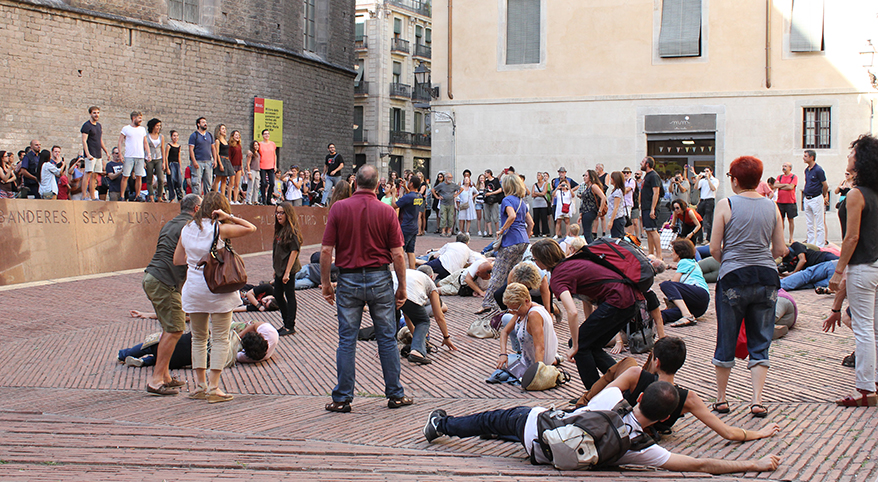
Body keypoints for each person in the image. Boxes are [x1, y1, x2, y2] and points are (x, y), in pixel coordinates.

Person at [423, 381, 781, 474]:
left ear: (639, 398)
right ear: (661, 420)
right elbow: (702, 466)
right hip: (550, 455)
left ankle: (442, 424)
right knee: (501, 428)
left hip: (537, 427)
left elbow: (600, 391)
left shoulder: (611, 399)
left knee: (494, 419)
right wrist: (756, 464)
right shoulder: (644, 449)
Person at [320, 164, 413, 413]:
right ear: (377, 184)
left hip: (348, 279)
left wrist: (326, 283)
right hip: (379, 278)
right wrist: (402, 287)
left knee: (346, 340)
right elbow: (398, 254)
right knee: (386, 338)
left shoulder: (339, 208)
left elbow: (326, 251)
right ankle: (395, 394)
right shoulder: (387, 212)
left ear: (355, 183)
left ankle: (342, 397)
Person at [577, 337, 781, 444]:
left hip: (606, 426)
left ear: (655, 361)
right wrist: (760, 433)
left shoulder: (635, 375)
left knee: (623, 366)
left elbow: (603, 398)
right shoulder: (687, 398)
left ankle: (580, 401)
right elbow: (727, 432)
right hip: (645, 433)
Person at [710, 156, 788, 418]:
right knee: (761, 340)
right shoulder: (772, 207)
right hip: (767, 277)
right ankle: (757, 400)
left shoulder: (726, 204)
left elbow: (713, 248)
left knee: (727, 338)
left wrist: (731, 261)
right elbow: (779, 249)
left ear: (734, 180)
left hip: (734, 277)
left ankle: (721, 399)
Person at [531, 238, 663, 389]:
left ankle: (594, 394)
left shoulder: (558, 277)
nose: (535, 263)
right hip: (630, 299)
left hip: (618, 301)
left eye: (535, 259)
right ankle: (627, 384)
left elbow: (573, 312)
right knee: (592, 346)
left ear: (543, 260)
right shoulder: (573, 261)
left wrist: (575, 345)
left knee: (580, 346)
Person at [174, 191, 257, 403]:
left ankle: (200, 385)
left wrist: (196, 258)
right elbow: (251, 228)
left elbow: (177, 259)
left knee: (198, 337)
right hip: (217, 288)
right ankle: (214, 387)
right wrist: (228, 217)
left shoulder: (187, 229)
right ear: (219, 209)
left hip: (194, 286)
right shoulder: (219, 228)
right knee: (220, 337)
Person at [828, 134, 878, 407]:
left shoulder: (857, 195)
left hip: (863, 267)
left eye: (853, 152)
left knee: (864, 330)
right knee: (875, 330)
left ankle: (865, 390)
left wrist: (838, 271)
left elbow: (851, 237)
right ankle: (874, 383)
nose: (849, 155)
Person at [140, 194, 200, 395]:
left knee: (169, 327)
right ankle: (156, 380)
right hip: (164, 282)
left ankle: (165, 376)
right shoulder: (190, 227)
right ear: (197, 209)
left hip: (153, 277)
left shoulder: (170, 224)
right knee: (175, 328)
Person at [479, 175, 534, 313]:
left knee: (498, 273)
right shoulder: (521, 201)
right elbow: (531, 223)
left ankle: (488, 303)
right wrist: (525, 237)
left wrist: (502, 230)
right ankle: (510, 301)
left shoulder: (507, 200)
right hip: (522, 241)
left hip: (510, 240)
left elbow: (512, 216)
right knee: (513, 274)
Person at [394, 266, 457, 365]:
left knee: (390, 320)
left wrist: (418, 338)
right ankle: (417, 352)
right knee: (423, 321)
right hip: (407, 294)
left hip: (387, 289)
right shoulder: (430, 283)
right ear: (431, 277)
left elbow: (407, 317)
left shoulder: (411, 273)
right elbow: (439, 316)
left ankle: (385, 350)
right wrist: (446, 337)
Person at [497, 283, 558, 369]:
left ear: (526, 301)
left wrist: (537, 372)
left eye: (515, 309)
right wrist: (503, 353)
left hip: (538, 360)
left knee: (503, 367)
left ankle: (548, 363)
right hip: (530, 354)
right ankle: (555, 359)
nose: (513, 312)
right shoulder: (525, 308)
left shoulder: (533, 315)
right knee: (506, 318)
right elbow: (504, 332)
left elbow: (540, 347)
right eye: (510, 309)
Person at [661, 239, 710, 327]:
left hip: (699, 294)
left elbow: (673, 282)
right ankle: (685, 315)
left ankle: (687, 315)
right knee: (663, 314)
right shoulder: (691, 262)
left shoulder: (684, 261)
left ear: (679, 253)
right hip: (699, 307)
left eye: (673, 251)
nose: (671, 254)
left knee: (666, 284)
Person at [273, 201, 303, 337]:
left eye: (281, 213)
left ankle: (290, 325)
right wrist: (276, 268)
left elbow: (294, 251)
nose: (278, 215)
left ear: (288, 214)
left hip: (288, 270)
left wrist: (286, 272)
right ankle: (286, 322)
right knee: (278, 295)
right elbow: (278, 252)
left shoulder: (292, 231)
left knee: (290, 296)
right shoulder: (279, 229)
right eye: (277, 212)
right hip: (280, 269)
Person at [393, 175, 423, 268]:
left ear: (411, 184)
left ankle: (401, 270)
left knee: (400, 250)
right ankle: (412, 270)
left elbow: (394, 205)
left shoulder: (408, 197)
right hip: (414, 226)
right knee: (410, 251)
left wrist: (394, 193)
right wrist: (406, 188)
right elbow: (411, 196)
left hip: (405, 226)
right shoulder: (419, 196)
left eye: (409, 182)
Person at [118, 111, 149, 201]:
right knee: (126, 175)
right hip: (129, 155)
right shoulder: (126, 128)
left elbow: (145, 142)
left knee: (139, 176)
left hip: (140, 156)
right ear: (133, 118)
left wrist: (148, 154)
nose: (140, 120)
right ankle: (122, 196)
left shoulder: (142, 129)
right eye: (139, 118)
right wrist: (120, 153)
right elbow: (120, 141)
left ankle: (137, 195)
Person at [81, 106, 109, 201]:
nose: (96, 114)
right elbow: (84, 141)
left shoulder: (98, 126)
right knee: (88, 173)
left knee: (95, 175)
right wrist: (87, 154)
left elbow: (99, 139)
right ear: (90, 114)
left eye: (97, 112)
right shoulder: (87, 125)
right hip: (91, 153)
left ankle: (93, 196)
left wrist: (106, 151)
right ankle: (84, 195)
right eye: (94, 113)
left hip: (98, 153)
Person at [802, 150, 829, 246]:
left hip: (816, 197)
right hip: (807, 198)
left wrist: (824, 195)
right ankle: (810, 243)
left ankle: (819, 244)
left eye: (806, 156)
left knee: (819, 223)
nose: (803, 158)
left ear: (811, 157)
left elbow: (825, 185)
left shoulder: (818, 170)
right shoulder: (806, 170)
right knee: (809, 223)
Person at [640, 156, 663, 258]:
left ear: (648, 164)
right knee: (648, 230)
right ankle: (651, 254)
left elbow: (656, 193)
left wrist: (652, 208)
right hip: (645, 206)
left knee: (653, 230)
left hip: (651, 207)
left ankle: (659, 255)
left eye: (643, 162)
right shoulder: (647, 176)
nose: (641, 163)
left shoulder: (654, 176)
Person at [188, 117, 215, 197]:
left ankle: (207, 200)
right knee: (196, 182)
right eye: (203, 122)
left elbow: (213, 148)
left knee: (208, 182)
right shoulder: (194, 136)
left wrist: (215, 160)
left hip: (208, 162)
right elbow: (191, 149)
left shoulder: (209, 135)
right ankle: (197, 200)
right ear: (198, 124)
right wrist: (194, 161)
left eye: (205, 122)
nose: (205, 123)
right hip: (198, 161)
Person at [579, 170, 608, 243]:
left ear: (591, 177)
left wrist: (600, 210)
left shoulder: (594, 186)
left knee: (587, 234)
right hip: (585, 212)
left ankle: (592, 249)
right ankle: (593, 248)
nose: (584, 178)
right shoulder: (587, 187)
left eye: (586, 176)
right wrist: (581, 214)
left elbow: (603, 197)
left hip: (590, 211)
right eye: (584, 176)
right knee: (588, 234)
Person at [774, 162, 798, 244]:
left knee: (790, 220)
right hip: (780, 201)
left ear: (790, 168)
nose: (783, 167)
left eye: (785, 166)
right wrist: (785, 185)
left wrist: (781, 185)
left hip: (790, 202)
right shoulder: (779, 177)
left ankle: (791, 237)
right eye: (783, 166)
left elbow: (791, 187)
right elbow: (775, 185)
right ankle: (781, 237)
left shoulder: (794, 177)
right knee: (781, 220)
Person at [694, 167, 718, 244]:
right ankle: (700, 238)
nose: (706, 173)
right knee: (698, 219)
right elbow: (695, 187)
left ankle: (708, 238)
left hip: (709, 200)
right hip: (702, 200)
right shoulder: (702, 181)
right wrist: (698, 179)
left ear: (711, 171)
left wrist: (708, 179)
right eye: (705, 171)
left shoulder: (715, 180)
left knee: (708, 220)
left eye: (707, 171)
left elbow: (713, 188)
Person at [144, 118, 165, 202]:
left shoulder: (161, 137)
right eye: (157, 126)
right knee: (149, 178)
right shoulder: (146, 136)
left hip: (158, 158)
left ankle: (159, 196)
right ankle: (151, 196)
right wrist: (143, 161)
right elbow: (144, 148)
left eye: (159, 126)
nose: (158, 127)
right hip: (149, 159)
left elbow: (162, 149)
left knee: (161, 178)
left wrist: (164, 162)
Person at [434, 171, 460, 237]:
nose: (451, 179)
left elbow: (461, 189)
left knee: (450, 218)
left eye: (451, 177)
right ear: (445, 178)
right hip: (443, 203)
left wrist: (456, 194)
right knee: (443, 217)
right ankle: (443, 231)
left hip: (451, 203)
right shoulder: (441, 185)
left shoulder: (453, 185)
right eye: (449, 177)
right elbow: (433, 190)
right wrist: (437, 197)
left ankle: (449, 231)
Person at [164, 130, 185, 202]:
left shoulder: (178, 146)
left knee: (178, 182)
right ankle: (171, 198)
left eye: (177, 136)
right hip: (171, 164)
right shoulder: (169, 145)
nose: (175, 137)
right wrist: (167, 168)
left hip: (177, 165)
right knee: (171, 181)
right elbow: (166, 157)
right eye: (174, 136)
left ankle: (180, 197)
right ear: (171, 137)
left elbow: (179, 157)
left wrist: (180, 168)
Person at [257, 130, 277, 204]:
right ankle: (263, 199)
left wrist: (275, 165)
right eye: (265, 134)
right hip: (262, 165)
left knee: (272, 183)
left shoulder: (272, 144)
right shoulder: (260, 144)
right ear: (262, 135)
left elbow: (274, 155)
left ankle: (269, 199)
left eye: (268, 134)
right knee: (264, 183)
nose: (267, 135)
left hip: (271, 165)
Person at [607, 171, 628, 238]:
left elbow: (616, 207)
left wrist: (611, 221)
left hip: (617, 218)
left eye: (611, 178)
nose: (610, 179)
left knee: (617, 238)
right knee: (615, 237)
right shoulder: (616, 191)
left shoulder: (617, 192)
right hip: (616, 218)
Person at [211, 124, 231, 195]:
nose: (224, 130)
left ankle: (222, 195)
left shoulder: (225, 140)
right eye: (222, 129)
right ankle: (216, 195)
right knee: (218, 179)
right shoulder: (217, 141)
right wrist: (220, 164)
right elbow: (217, 153)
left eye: (225, 129)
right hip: (221, 159)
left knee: (224, 179)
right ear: (219, 130)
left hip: (226, 160)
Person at [483, 169, 502, 237]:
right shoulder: (486, 181)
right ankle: (490, 232)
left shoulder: (495, 180)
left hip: (494, 200)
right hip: (487, 201)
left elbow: (500, 189)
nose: (485, 174)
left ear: (489, 173)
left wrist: (491, 193)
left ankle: (497, 232)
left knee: (495, 217)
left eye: (486, 173)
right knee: (487, 217)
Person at [531, 172, 550, 237]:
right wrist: (539, 193)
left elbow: (544, 193)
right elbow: (532, 194)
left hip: (543, 203)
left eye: (539, 175)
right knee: (535, 218)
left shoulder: (545, 184)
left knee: (544, 218)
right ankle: (535, 232)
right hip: (536, 204)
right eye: (537, 175)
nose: (538, 176)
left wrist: (537, 193)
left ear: (542, 177)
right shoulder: (534, 185)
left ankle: (545, 232)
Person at [228, 130, 244, 203]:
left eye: (238, 135)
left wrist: (242, 168)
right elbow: (229, 157)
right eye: (236, 135)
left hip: (239, 166)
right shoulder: (230, 146)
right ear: (232, 136)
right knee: (231, 184)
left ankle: (235, 199)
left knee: (237, 184)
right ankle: (229, 199)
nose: (237, 136)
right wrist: (231, 168)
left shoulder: (239, 146)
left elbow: (241, 158)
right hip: (232, 166)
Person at [245, 140, 261, 204]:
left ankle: (255, 200)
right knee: (251, 186)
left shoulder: (258, 154)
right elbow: (248, 163)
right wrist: (249, 173)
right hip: (252, 170)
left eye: (257, 145)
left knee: (257, 186)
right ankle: (248, 200)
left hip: (257, 171)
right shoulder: (251, 154)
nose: (256, 146)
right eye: (255, 145)